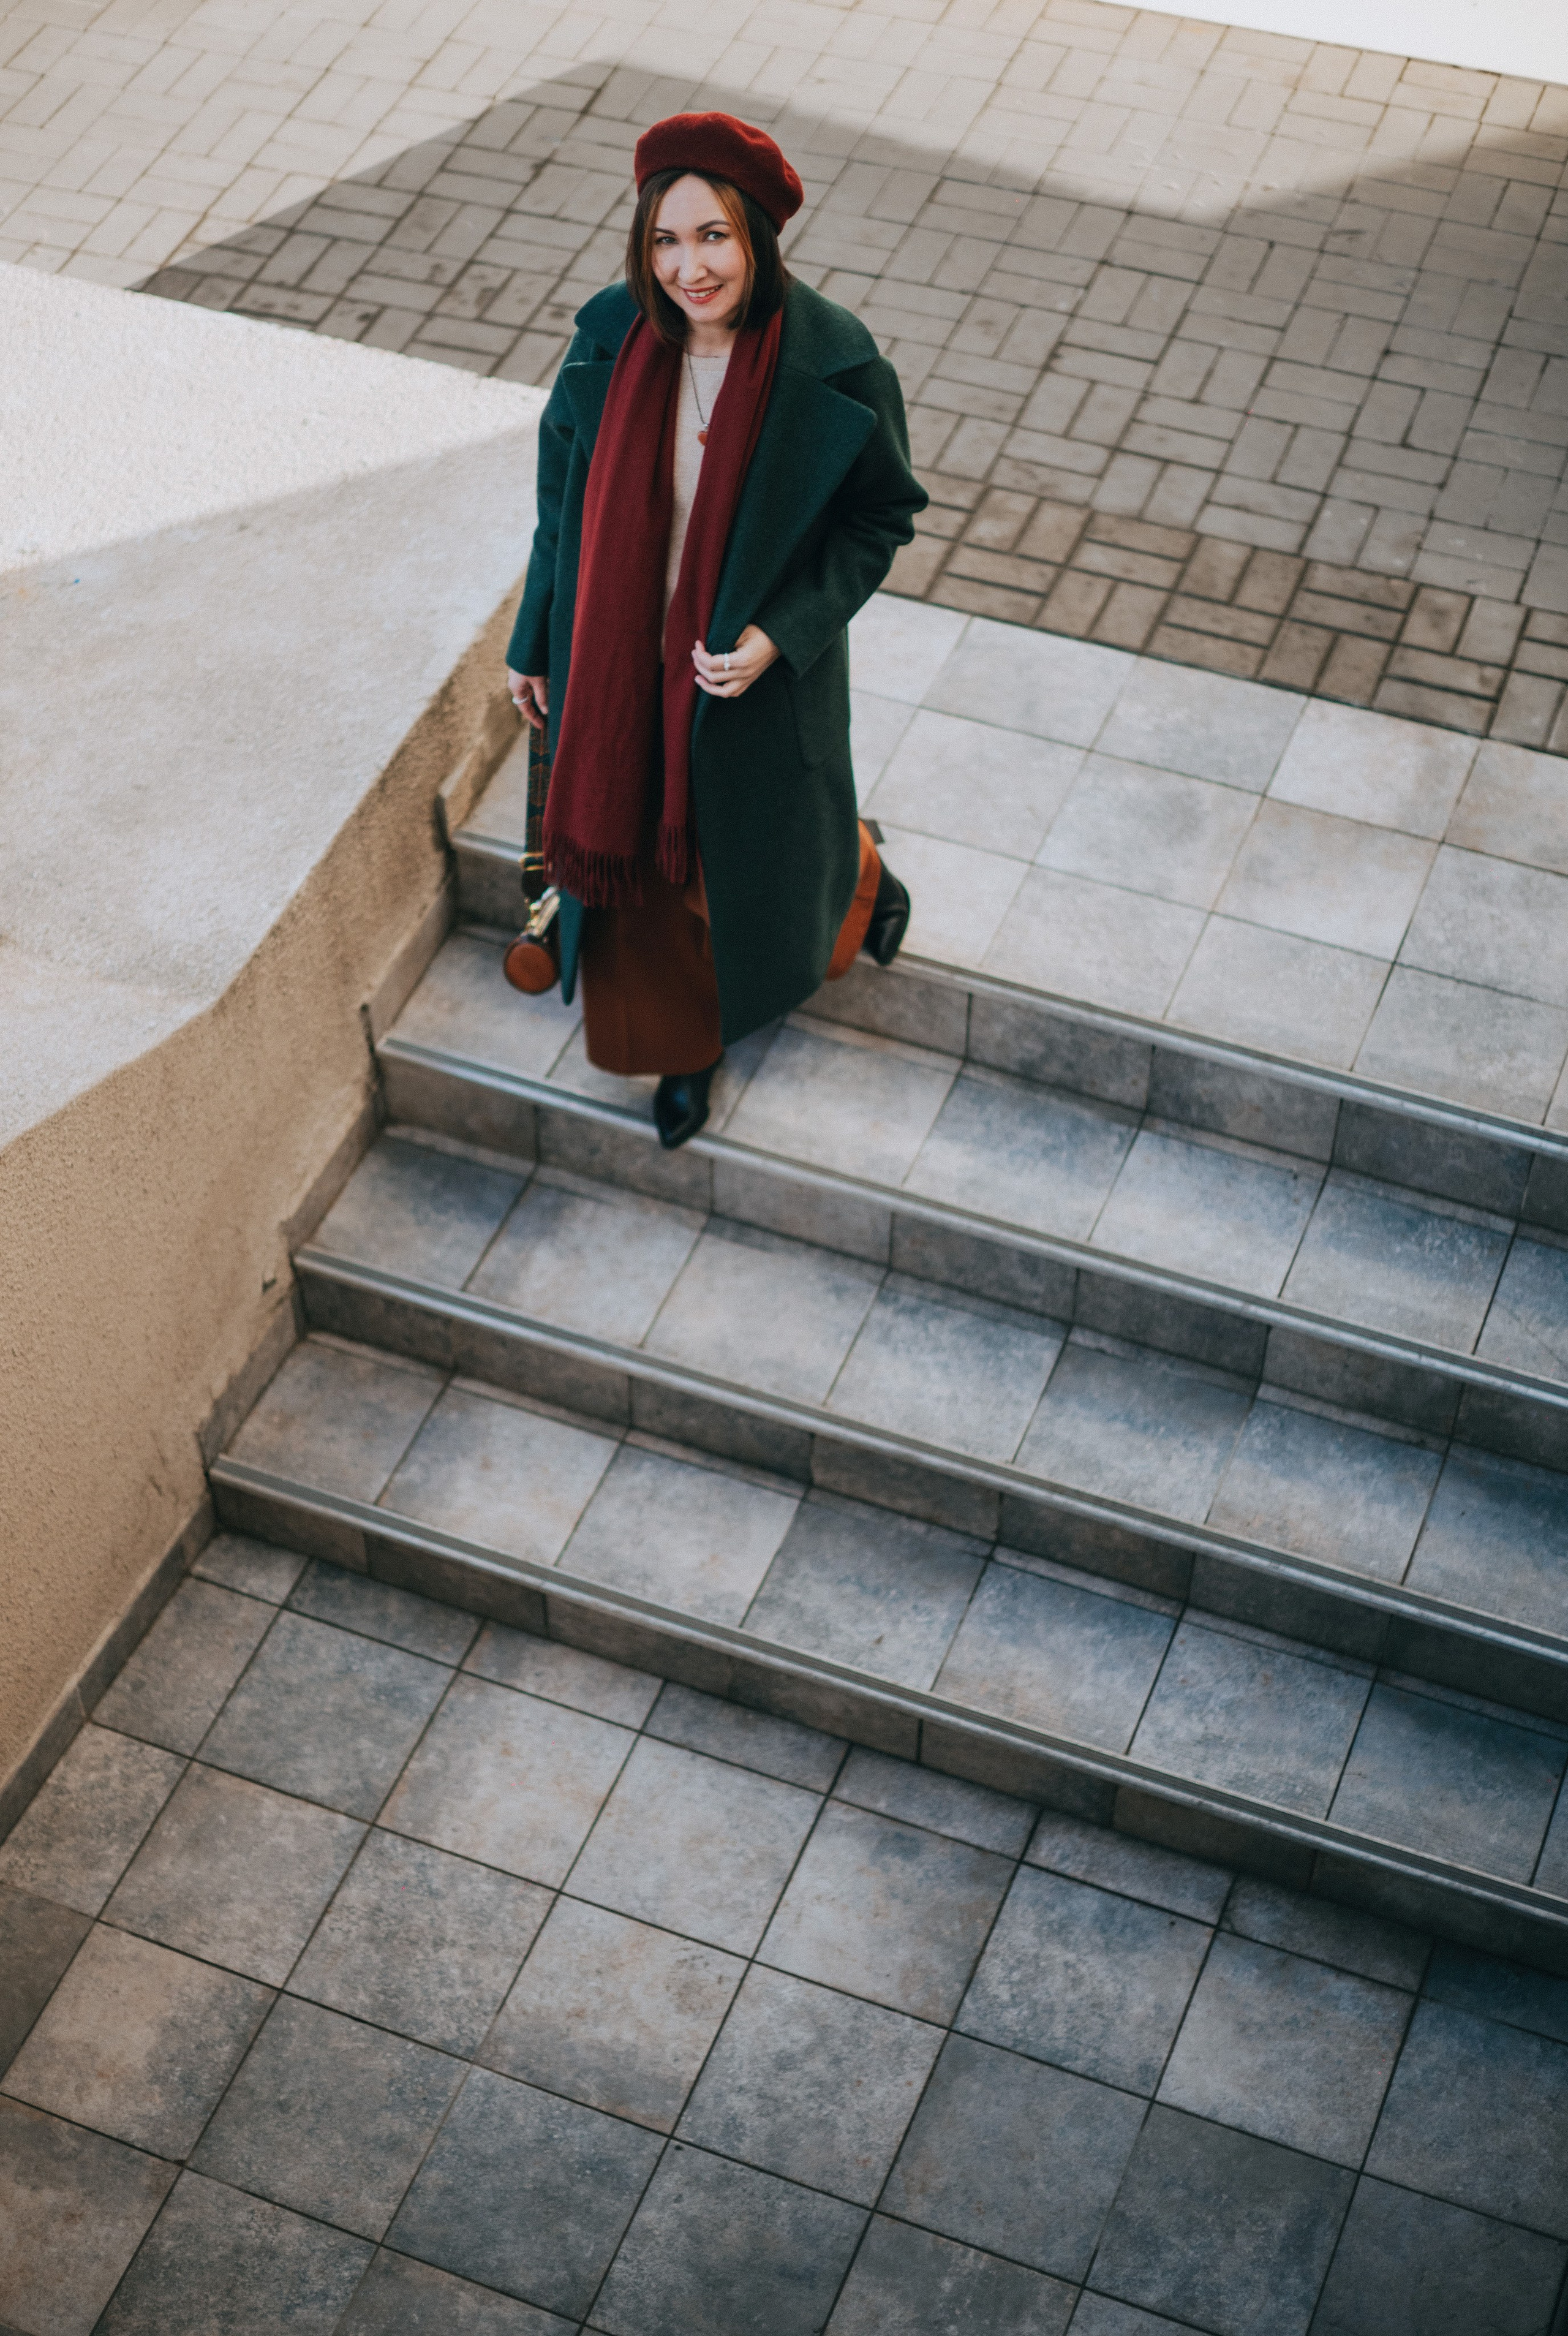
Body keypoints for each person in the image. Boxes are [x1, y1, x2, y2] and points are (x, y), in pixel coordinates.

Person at [505, 110, 927, 1149]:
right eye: (665, 239)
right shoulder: (609, 335)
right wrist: (536, 637)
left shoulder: (834, 363)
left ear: (759, 240)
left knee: (759, 858)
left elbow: (881, 516)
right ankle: (684, 1049)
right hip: (619, 675)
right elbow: (564, 500)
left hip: (746, 685)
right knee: (646, 881)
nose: (687, 268)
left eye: (713, 238)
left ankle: (859, 875)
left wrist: (782, 634)